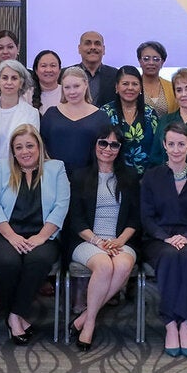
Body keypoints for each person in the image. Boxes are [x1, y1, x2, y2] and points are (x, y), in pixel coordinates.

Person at [0, 124, 69, 345]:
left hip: (42, 234)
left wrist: (41, 237)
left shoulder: (56, 168)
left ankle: (13, 315)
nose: (24, 151)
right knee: (9, 262)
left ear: (39, 146)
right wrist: (11, 236)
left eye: (29, 145)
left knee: (38, 259)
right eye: (18, 147)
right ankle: (16, 316)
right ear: (13, 151)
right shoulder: (1, 169)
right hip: (0, 233)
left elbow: (61, 205)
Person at [142, 121, 187, 358]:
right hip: (158, 238)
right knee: (171, 256)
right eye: (171, 144)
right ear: (164, 145)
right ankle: (172, 323)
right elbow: (147, 218)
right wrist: (166, 237)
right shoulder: (151, 177)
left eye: (181, 144)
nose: (176, 149)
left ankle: (186, 324)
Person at [68, 125, 139, 351]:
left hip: (120, 240)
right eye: (103, 143)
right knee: (105, 267)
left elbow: (136, 219)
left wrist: (119, 241)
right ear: (95, 145)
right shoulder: (79, 176)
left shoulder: (129, 176)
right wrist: (98, 242)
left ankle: (85, 316)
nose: (108, 149)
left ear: (120, 149)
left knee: (122, 266)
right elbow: (76, 220)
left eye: (114, 144)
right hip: (87, 240)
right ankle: (89, 325)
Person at [0, 60, 40, 180]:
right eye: (5, 78)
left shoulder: (31, 113)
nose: (9, 82)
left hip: (20, 178)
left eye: (14, 78)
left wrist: (16, 178)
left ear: (21, 83)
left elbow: (31, 151)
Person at [41, 66, 110, 174]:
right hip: (55, 175)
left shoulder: (101, 117)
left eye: (76, 86)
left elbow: (105, 149)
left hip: (88, 179)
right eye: (67, 87)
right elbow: (41, 146)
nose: (72, 92)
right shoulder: (51, 114)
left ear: (86, 84)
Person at [101, 65, 158, 176]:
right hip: (112, 177)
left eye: (135, 84)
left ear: (141, 88)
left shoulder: (150, 113)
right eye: (125, 84)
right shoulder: (105, 112)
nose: (130, 88)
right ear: (117, 87)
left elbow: (157, 148)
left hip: (145, 179)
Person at [75, 31, 117, 107]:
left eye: (97, 44)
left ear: (103, 49)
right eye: (88, 43)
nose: (93, 47)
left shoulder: (116, 75)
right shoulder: (65, 74)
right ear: (79, 48)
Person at [137, 41, 178, 117]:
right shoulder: (132, 86)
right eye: (146, 59)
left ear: (162, 62)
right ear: (139, 61)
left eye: (156, 59)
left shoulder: (172, 87)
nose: (151, 63)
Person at [31, 50, 62, 114]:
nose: (48, 70)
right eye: (43, 66)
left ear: (59, 70)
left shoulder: (67, 92)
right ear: (36, 70)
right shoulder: (27, 94)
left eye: (53, 65)